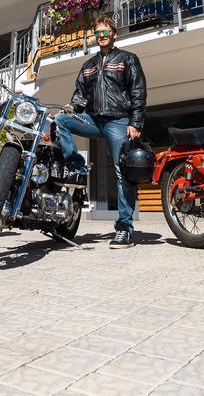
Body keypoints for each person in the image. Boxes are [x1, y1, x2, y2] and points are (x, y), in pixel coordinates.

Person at [55, 15, 147, 249]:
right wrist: (72, 107)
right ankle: (76, 166)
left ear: (114, 34)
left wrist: (135, 123)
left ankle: (124, 229)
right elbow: (79, 95)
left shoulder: (128, 59)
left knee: (122, 173)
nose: (102, 36)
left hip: (118, 121)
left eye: (106, 32)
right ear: (94, 36)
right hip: (94, 120)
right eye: (98, 33)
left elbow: (138, 92)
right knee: (61, 119)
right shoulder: (88, 66)